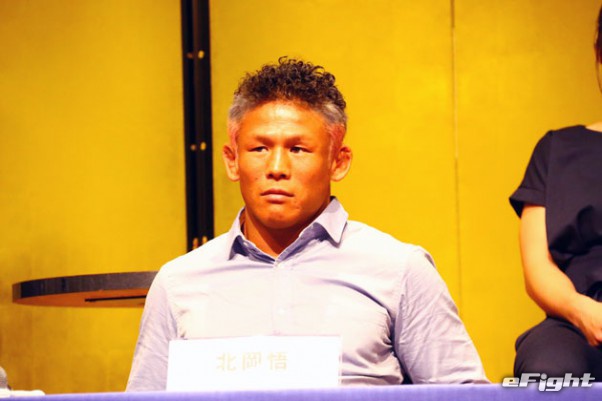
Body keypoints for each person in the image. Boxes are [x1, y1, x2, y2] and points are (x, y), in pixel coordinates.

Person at [126, 57, 488, 391]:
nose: (277, 168)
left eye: (298, 149)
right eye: (259, 149)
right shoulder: (177, 283)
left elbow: (465, 396)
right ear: (232, 160)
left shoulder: (399, 270)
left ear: (338, 162)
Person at [509, 8, 602, 380]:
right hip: (578, 318)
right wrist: (582, 311)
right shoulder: (557, 149)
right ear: (599, 53)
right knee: (548, 369)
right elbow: (538, 266)